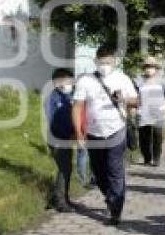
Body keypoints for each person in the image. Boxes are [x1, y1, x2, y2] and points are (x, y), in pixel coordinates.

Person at [72, 47, 138, 225]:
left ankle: (115, 210)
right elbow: (77, 106)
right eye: (101, 62)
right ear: (95, 62)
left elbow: (136, 101)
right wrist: (78, 131)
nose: (105, 66)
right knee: (99, 172)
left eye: (108, 62)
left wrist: (123, 99)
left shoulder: (122, 79)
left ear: (114, 62)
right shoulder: (86, 80)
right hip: (94, 133)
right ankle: (110, 196)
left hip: (116, 130)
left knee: (114, 170)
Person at [45, 68, 76, 213]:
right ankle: (60, 201)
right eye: (63, 81)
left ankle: (63, 197)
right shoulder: (52, 98)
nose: (67, 84)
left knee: (67, 168)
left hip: (68, 138)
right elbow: (52, 120)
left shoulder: (71, 97)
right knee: (64, 169)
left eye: (69, 80)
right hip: (57, 138)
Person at [136, 57, 165, 167]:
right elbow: (135, 96)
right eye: (147, 67)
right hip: (143, 111)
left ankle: (156, 158)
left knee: (157, 135)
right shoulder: (139, 80)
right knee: (144, 136)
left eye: (151, 67)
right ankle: (147, 158)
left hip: (158, 112)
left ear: (155, 68)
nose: (149, 69)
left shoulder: (162, 80)